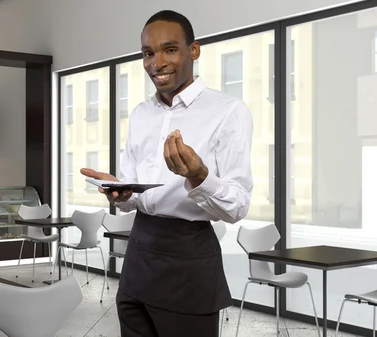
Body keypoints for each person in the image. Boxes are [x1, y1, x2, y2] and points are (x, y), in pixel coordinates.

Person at [80, 9, 253, 337]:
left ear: (194, 51)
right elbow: (133, 200)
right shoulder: (141, 113)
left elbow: (237, 207)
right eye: (147, 53)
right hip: (138, 255)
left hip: (188, 261)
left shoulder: (228, 112)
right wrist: (122, 192)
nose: (156, 62)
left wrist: (200, 176)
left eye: (169, 49)